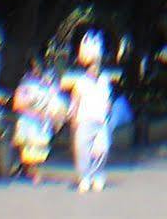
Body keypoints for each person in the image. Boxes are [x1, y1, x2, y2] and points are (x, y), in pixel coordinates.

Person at [64, 32, 116, 194]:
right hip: (84, 120)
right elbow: (75, 101)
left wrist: (109, 108)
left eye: (97, 66)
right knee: (82, 150)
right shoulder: (80, 82)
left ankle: (98, 175)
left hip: (101, 120)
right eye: (92, 66)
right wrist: (72, 117)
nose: (95, 69)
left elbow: (108, 98)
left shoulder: (105, 80)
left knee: (102, 149)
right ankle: (85, 177)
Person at [12, 61, 65, 183]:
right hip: (29, 121)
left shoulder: (45, 84)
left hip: (42, 122)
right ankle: (30, 171)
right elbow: (18, 104)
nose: (38, 70)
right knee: (29, 148)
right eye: (35, 68)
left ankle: (32, 171)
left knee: (39, 148)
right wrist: (36, 113)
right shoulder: (25, 85)